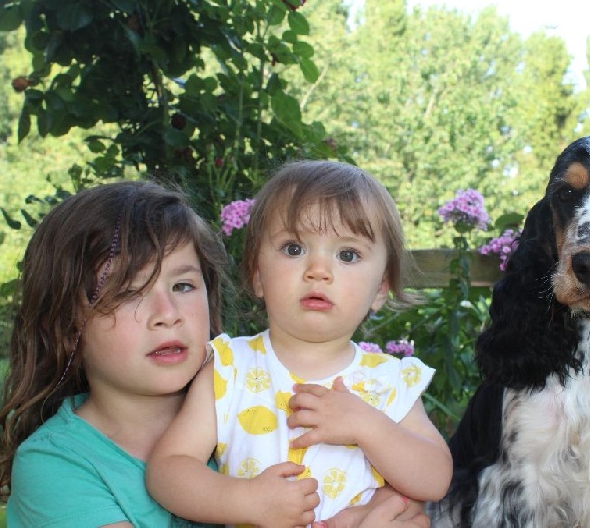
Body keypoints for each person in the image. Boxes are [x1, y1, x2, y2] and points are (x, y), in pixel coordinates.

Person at [146, 160, 453, 527]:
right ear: (258, 274)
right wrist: (244, 500)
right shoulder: (229, 368)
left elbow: (435, 478)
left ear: (381, 288)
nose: (318, 271)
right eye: (294, 249)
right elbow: (168, 470)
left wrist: (368, 426)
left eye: (348, 255)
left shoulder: (388, 382)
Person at [0, 181, 229, 526]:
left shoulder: (253, 405)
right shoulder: (55, 464)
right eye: (128, 293)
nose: (168, 313)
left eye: (182, 286)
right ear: (67, 326)